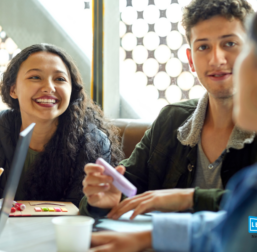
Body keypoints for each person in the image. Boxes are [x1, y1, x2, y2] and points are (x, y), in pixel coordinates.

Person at [89, 11, 257, 252]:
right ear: (190, 58)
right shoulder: (172, 119)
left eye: (230, 44)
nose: (217, 59)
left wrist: (188, 198)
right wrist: (107, 201)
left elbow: (252, 228)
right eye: (203, 47)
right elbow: (129, 187)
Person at [0, 44, 124, 207]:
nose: (49, 87)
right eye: (35, 77)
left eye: (60, 79)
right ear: (13, 89)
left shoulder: (93, 142)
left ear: (71, 91)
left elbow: (86, 211)